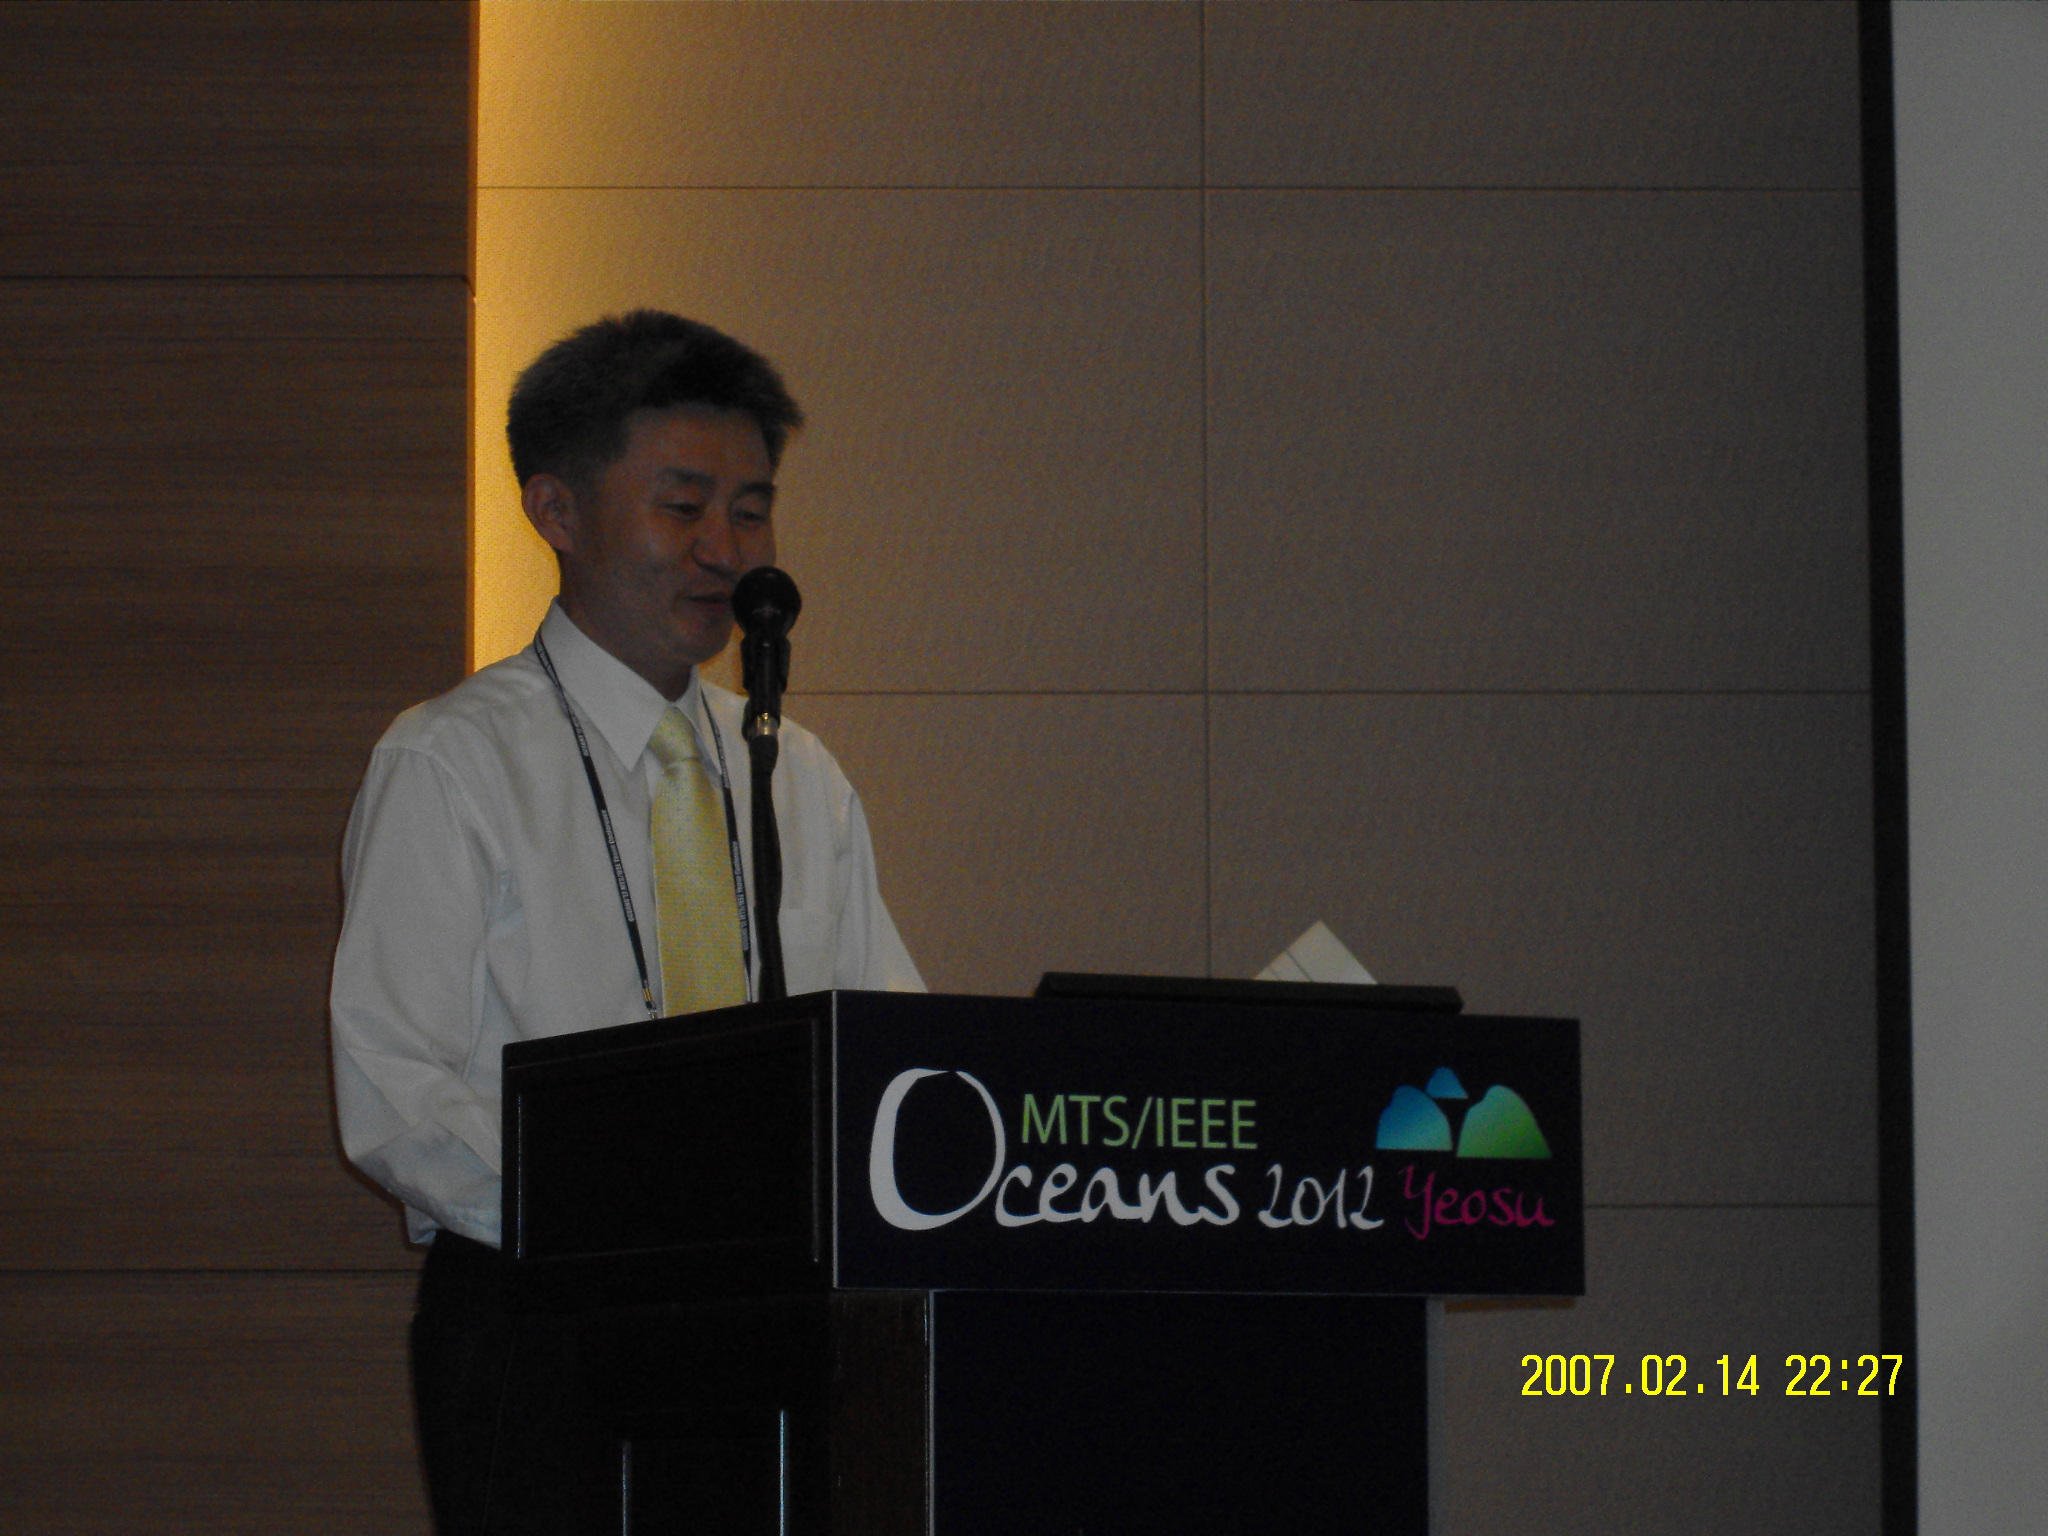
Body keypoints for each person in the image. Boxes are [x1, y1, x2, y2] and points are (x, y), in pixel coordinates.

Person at [330, 311, 923, 1533]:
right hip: (542, 1322)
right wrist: (626, 1214)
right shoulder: (453, 762)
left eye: (750, 511)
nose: (725, 551)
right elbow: (394, 1087)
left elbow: (889, 1049)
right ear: (554, 509)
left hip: (785, 1325)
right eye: (681, 505)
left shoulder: (796, 774)